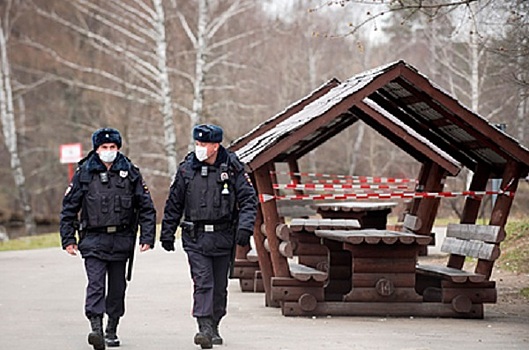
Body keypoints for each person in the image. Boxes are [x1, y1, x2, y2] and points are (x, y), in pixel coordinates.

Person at [160, 124, 257, 349]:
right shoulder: (187, 169)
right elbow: (174, 203)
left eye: (204, 144)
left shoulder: (232, 168)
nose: (200, 148)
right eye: (197, 143)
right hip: (195, 237)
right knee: (203, 281)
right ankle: (203, 327)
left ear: (216, 145)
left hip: (223, 236)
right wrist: (167, 232)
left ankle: (214, 324)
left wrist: (245, 228)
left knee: (219, 286)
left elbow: (249, 200)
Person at [60, 127, 156, 350]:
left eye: (113, 147)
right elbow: (69, 208)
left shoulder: (130, 172)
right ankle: (96, 328)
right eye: (104, 147)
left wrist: (147, 236)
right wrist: (68, 239)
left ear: (118, 148)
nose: (109, 151)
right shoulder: (84, 173)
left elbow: (146, 207)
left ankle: (111, 328)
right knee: (95, 284)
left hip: (121, 240)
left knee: (117, 288)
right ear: (96, 149)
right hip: (93, 240)